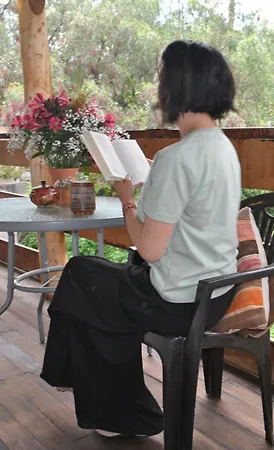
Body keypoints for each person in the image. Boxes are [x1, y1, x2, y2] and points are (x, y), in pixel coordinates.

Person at [40, 40, 241, 438]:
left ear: (175, 88)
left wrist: (127, 199)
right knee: (90, 283)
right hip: (216, 291)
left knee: (80, 277)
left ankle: (117, 410)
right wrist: (155, 181)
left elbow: (148, 249)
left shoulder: (177, 158)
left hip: (177, 302)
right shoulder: (222, 147)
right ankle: (94, 394)